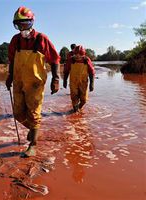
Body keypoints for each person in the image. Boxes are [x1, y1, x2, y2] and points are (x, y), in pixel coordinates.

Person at [5, 6, 60, 157]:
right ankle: (34, 129)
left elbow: (55, 59)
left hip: (35, 83)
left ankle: (33, 145)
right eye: (19, 24)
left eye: (25, 24)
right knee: (18, 114)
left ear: (31, 22)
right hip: (18, 81)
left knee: (34, 114)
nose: (22, 27)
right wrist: (9, 76)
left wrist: (56, 78)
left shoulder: (41, 39)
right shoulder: (15, 40)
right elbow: (11, 60)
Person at [63, 45, 95, 112]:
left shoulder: (86, 60)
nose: (77, 56)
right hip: (73, 82)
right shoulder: (71, 60)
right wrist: (65, 81)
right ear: (73, 54)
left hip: (83, 82)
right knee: (74, 98)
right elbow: (66, 71)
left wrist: (92, 84)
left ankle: (79, 109)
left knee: (84, 100)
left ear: (83, 55)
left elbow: (91, 72)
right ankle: (75, 111)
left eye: (80, 54)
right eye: (76, 54)